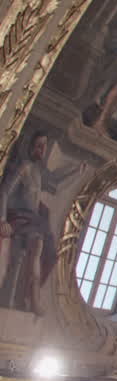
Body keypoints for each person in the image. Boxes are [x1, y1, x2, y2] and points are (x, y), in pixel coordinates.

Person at [0, 133, 82, 315]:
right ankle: (33, 298)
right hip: (18, 216)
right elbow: (4, 191)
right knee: (37, 246)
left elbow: (55, 182)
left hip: (33, 219)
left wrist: (75, 170)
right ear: (31, 146)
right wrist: (2, 219)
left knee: (46, 252)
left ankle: (33, 297)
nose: (42, 150)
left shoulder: (38, 171)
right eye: (39, 145)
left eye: (44, 146)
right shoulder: (24, 167)